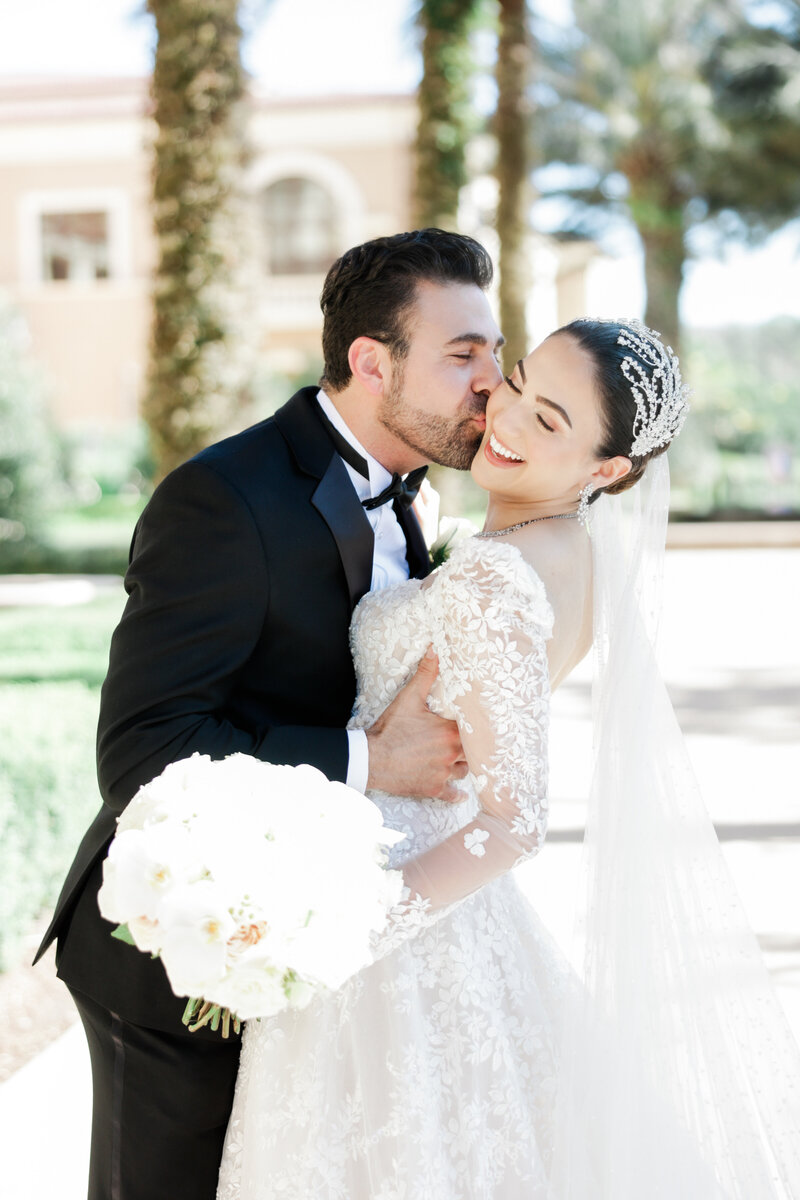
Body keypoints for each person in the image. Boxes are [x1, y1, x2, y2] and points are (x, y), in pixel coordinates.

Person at [216, 318, 800, 1199]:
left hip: (395, 919)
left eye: (551, 421)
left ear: (607, 471)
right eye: (519, 382)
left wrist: (334, 938)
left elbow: (514, 821)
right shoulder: (576, 557)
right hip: (454, 911)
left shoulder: (496, 575)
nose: (508, 417)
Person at [34, 228, 506, 1200]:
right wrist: (370, 761)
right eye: (462, 354)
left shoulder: (412, 497)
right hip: (171, 944)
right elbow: (144, 753)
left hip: (307, 942)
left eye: (493, 353)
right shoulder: (223, 499)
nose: (490, 383)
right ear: (371, 364)